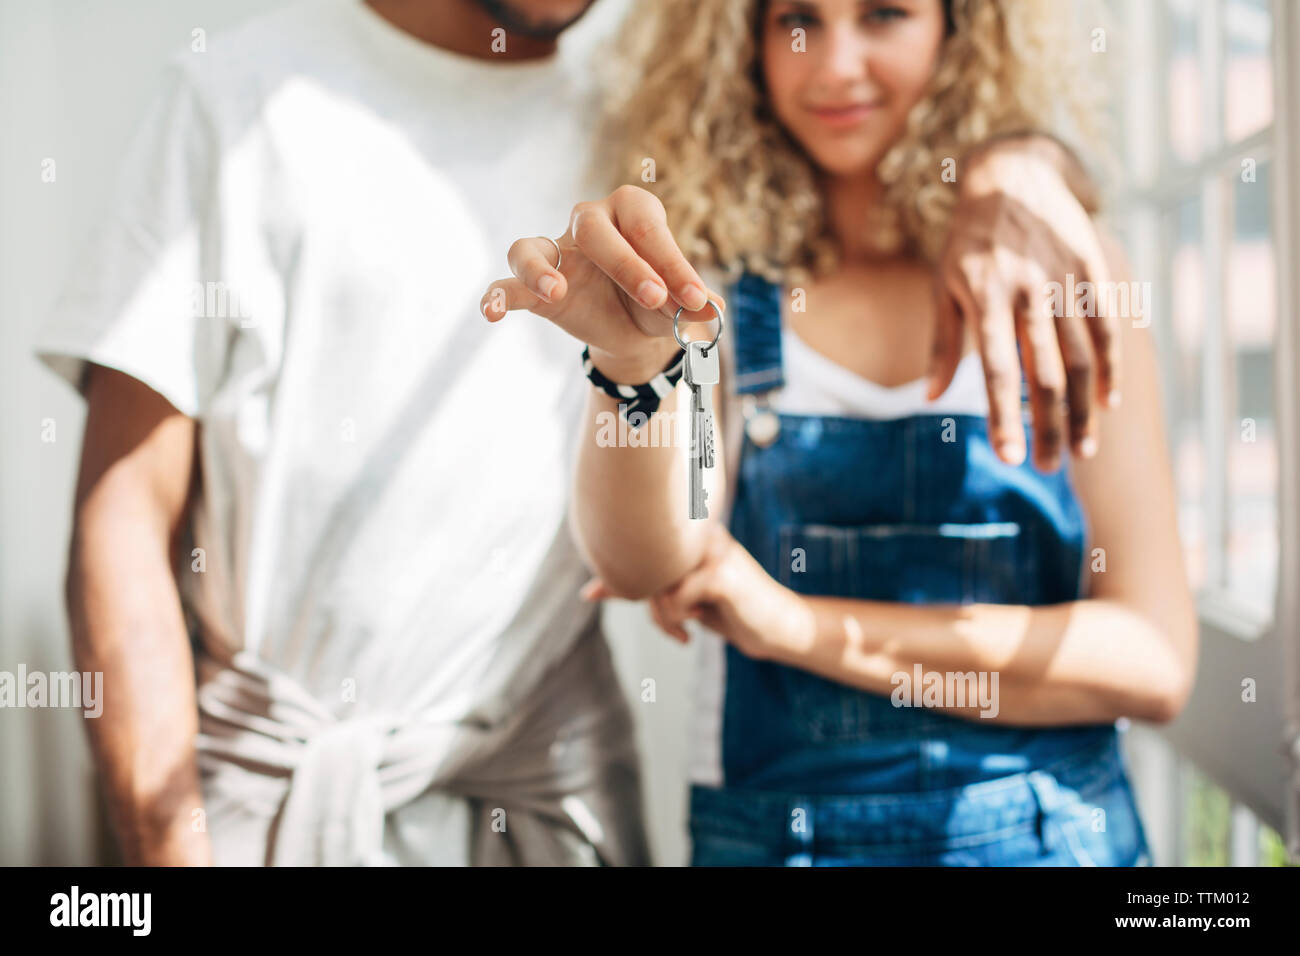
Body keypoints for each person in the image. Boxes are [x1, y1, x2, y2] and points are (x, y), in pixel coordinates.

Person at [38, 0, 1118, 867]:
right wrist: (164, 851)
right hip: (266, 799)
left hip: (544, 791)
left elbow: (872, 143)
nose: (836, 57)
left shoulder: (653, 132)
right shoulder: (236, 100)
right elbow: (125, 517)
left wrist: (1016, 160)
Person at [484, 0, 1197, 866]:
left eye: (885, 14)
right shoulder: (708, 287)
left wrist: (798, 626)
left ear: (961, 29)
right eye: (799, 20)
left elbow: (1152, 661)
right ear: (743, 42)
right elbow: (644, 564)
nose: (834, 65)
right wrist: (631, 366)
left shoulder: (1059, 269)